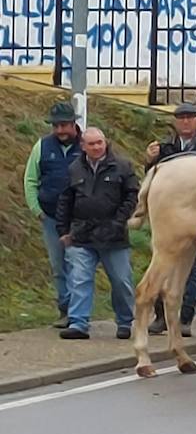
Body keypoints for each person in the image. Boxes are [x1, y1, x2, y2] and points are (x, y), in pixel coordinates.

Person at [145, 104, 196, 337]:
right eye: (181, 118)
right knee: (163, 262)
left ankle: (186, 316)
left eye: (190, 117)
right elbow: (153, 178)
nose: (186, 122)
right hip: (170, 214)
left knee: (192, 265)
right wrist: (149, 160)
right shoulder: (165, 147)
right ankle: (160, 316)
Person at [54, 127, 139, 341]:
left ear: (105, 142)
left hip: (113, 235)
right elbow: (66, 200)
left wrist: (119, 222)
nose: (97, 147)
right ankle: (78, 323)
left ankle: (125, 321)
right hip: (82, 234)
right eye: (91, 144)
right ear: (83, 146)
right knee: (79, 279)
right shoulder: (74, 168)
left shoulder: (122, 166)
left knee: (121, 281)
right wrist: (63, 231)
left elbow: (132, 196)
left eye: (100, 142)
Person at [23, 100, 82, 327]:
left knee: (78, 265)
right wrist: (35, 209)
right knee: (58, 266)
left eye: (64, 125)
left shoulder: (87, 145)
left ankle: (79, 313)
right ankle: (65, 309)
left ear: (73, 124)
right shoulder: (42, 146)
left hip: (79, 218)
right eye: (56, 126)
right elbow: (30, 179)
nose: (59, 130)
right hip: (50, 217)